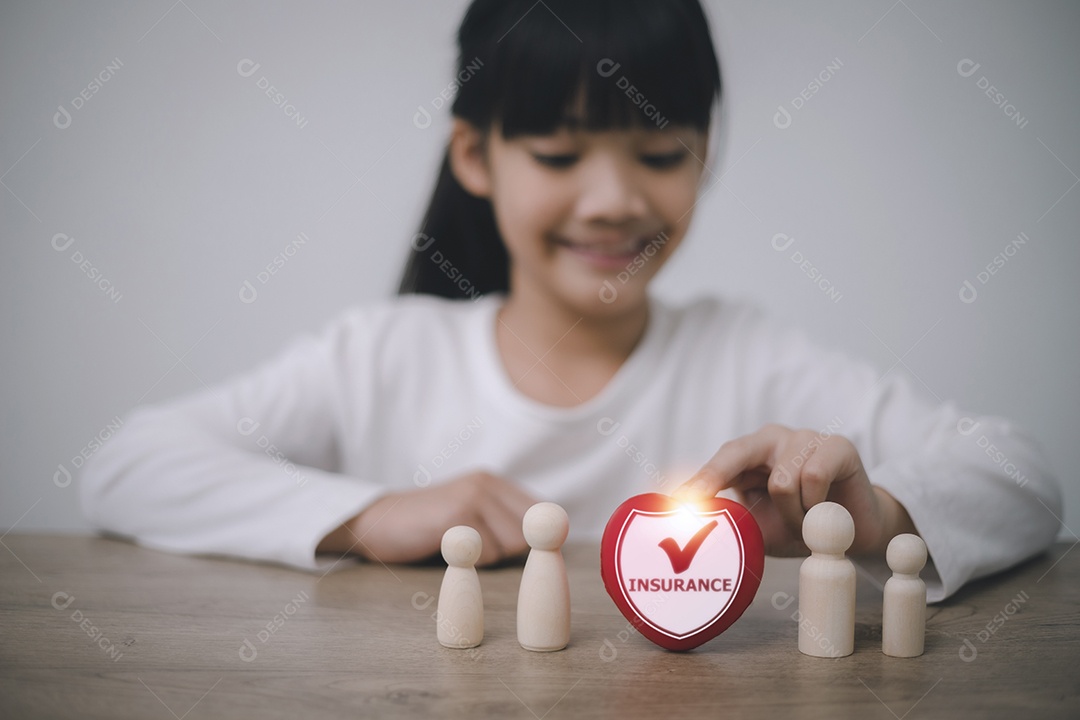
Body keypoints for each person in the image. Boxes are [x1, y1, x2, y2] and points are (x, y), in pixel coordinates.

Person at [80, 0, 1060, 602]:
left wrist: (877, 515)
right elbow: (125, 463)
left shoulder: (748, 356)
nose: (615, 202)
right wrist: (370, 515)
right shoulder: (382, 355)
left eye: (662, 155)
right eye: (556, 155)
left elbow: (1022, 478)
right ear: (475, 154)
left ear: (704, 157)